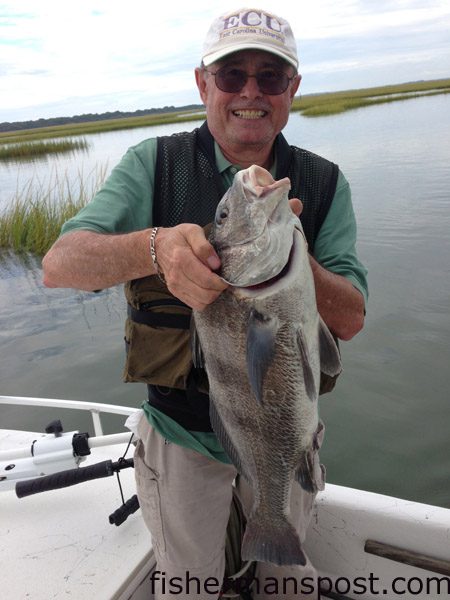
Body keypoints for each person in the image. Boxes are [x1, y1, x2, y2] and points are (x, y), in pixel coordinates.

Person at [42, 7, 368, 599]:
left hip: (286, 434)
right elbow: (59, 264)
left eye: (271, 77)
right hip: (182, 436)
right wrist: (155, 246)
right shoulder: (153, 164)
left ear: (292, 90)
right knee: (189, 586)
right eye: (230, 75)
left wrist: (289, 260)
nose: (250, 91)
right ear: (202, 84)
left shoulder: (323, 185)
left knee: (288, 585)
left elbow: (349, 318)